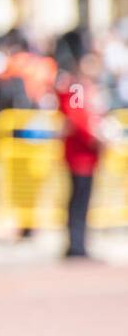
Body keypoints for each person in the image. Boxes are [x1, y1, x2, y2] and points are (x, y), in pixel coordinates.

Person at [57, 51, 107, 259]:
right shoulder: (77, 88)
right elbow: (77, 117)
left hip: (86, 155)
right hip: (79, 155)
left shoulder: (89, 89)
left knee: (82, 201)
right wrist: (94, 136)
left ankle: (79, 243)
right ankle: (76, 244)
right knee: (78, 200)